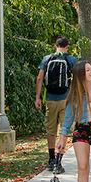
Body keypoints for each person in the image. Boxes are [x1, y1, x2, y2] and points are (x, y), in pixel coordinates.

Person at [35, 37, 77, 173]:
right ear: (67, 46)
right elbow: (78, 78)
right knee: (63, 130)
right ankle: (58, 162)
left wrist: (38, 97)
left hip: (50, 100)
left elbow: (40, 78)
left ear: (55, 46)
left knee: (51, 130)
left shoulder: (47, 59)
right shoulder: (71, 60)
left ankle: (51, 159)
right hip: (66, 100)